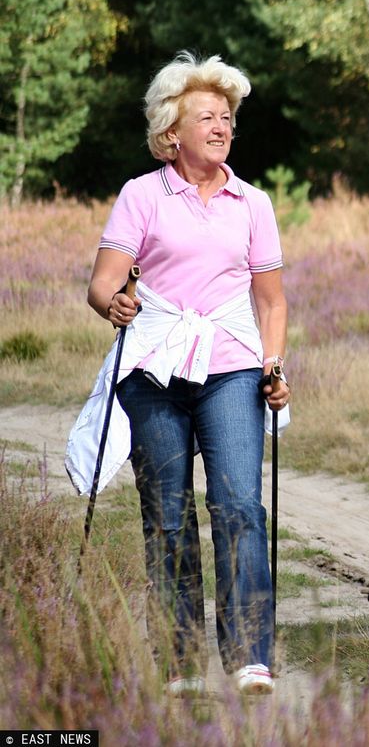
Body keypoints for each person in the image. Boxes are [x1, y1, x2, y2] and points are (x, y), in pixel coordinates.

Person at [77, 51, 290, 696]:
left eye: (227, 116)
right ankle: (178, 661)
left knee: (238, 506)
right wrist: (114, 302)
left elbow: (272, 301)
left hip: (231, 364)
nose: (222, 126)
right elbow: (103, 285)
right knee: (166, 513)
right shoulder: (142, 195)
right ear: (173, 131)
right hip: (156, 366)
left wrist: (274, 363)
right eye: (208, 117)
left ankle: (251, 654)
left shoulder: (251, 202)